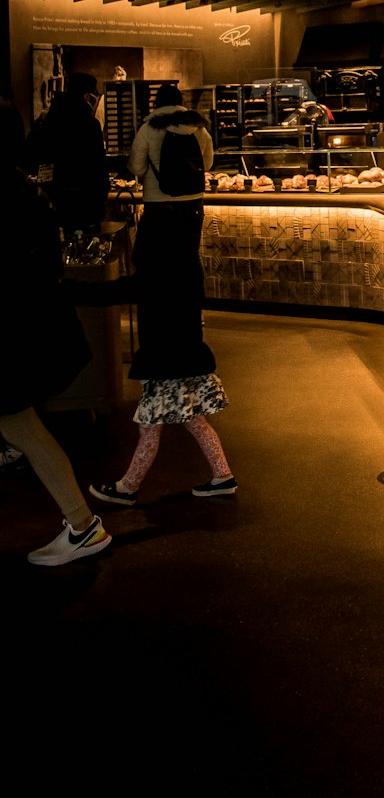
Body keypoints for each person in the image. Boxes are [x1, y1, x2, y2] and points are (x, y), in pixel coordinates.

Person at [90, 83, 237, 505]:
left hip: (159, 209)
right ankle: (218, 476)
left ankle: (128, 488)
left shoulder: (149, 127)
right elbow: (209, 162)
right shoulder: (198, 127)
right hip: (193, 211)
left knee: (155, 423)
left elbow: (136, 167)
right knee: (190, 418)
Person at [0, 104, 113, 566]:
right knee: (16, 422)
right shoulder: (21, 187)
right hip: (23, 327)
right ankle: (82, 524)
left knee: (17, 420)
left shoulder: (7, 191)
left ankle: (84, 525)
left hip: (11, 330)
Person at [24, 70, 109, 233]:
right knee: (86, 248)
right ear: (87, 96)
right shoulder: (89, 125)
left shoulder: (49, 119)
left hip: (54, 197)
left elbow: (32, 156)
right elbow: (97, 163)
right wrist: (101, 194)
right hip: (85, 200)